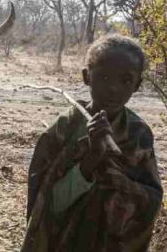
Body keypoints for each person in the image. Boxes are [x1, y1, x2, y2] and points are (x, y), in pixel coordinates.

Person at [23, 34, 163, 251]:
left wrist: (115, 181)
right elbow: (45, 206)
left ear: (137, 85)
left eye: (126, 80)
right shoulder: (61, 131)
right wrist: (91, 161)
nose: (114, 89)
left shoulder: (138, 133)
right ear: (87, 76)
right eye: (104, 78)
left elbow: (150, 201)